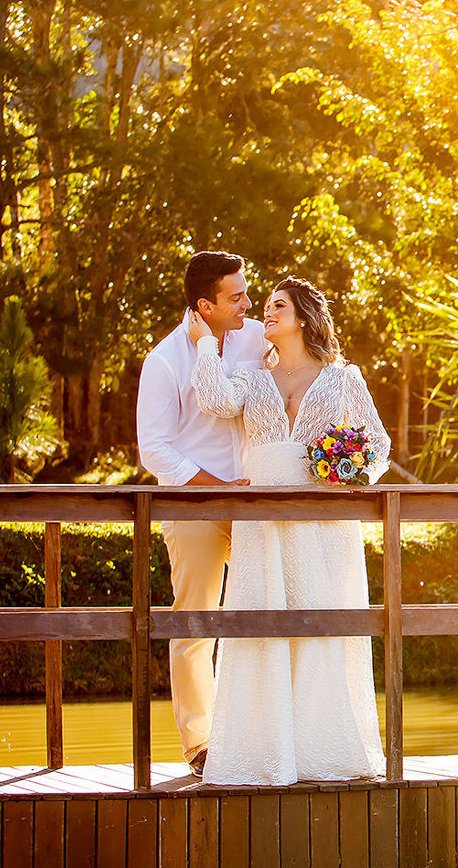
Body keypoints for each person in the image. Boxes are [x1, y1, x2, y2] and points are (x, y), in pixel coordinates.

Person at [189, 275, 388, 785]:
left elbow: (379, 447)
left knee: (323, 630)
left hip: (324, 526)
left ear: (302, 317)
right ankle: (264, 754)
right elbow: (213, 398)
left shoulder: (344, 381)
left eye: (278, 305)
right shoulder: (254, 380)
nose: (267, 313)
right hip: (262, 526)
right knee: (261, 632)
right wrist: (206, 341)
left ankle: (328, 753)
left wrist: (349, 470)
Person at [136, 251, 265, 778]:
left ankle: (264, 731)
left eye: (246, 293)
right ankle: (200, 745)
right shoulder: (165, 360)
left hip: (259, 505)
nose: (248, 304)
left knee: (269, 616)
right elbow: (155, 449)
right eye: (236, 297)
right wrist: (218, 490)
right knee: (195, 622)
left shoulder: (258, 337)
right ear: (203, 305)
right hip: (193, 507)